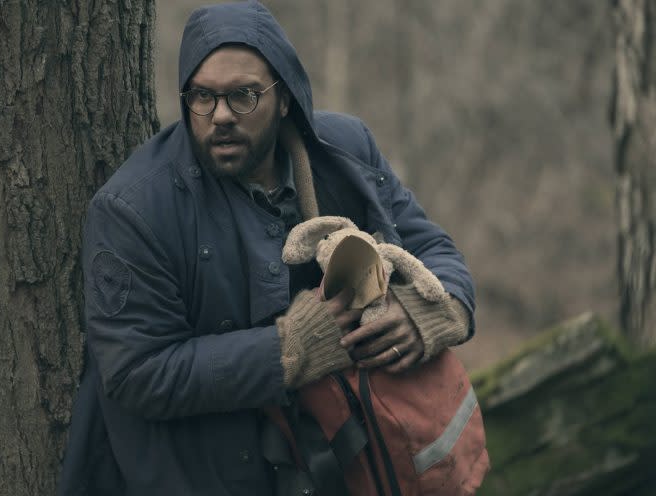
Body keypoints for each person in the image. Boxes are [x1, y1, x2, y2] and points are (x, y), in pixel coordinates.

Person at [59, 2, 475, 495]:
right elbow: (136, 373)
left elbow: (433, 248)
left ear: (284, 97)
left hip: (349, 466)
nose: (220, 116)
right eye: (202, 97)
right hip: (207, 475)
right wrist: (289, 348)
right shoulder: (134, 209)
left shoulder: (345, 149)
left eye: (244, 96)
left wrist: (424, 315)